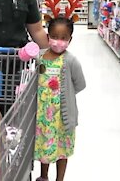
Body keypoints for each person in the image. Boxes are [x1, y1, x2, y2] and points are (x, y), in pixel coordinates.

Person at [35, 16, 86, 181]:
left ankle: (60, 178)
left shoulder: (71, 61)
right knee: (45, 146)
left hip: (62, 118)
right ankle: (43, 176)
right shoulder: (40, 57)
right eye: (55, 37)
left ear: (70, 39)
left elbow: (80, 84)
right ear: (48, 36)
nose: (59, 41)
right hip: (43, 117)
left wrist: (64, 94)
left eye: (63, 38)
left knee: (62, 149)